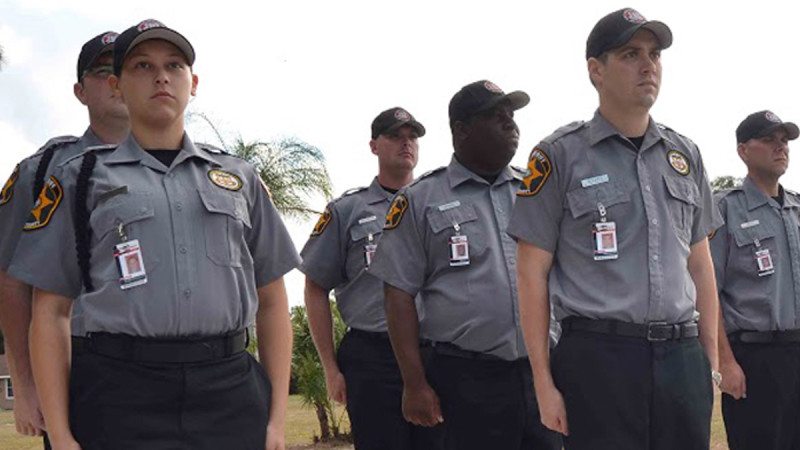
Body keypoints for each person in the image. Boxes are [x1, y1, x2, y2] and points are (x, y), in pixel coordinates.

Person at [8, 19, 298, 450]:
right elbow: (50, 313)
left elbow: (273, 299)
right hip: (119, 394)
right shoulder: (79, 178)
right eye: (142, 66)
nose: (161, 76)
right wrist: (63, 435)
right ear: (117, 85)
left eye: (174, 65)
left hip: (228, 391)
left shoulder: (237, 177)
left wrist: (275, 421)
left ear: (193, 82)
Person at [507, 8, 722, 449]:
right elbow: (531, 274)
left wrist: (709, 362)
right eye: (630, 54)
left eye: (655, 54)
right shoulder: (559, 156)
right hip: (598, 360)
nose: (649, 66)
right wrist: (543, 382)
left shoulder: (685, 156)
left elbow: (700, 266)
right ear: (595, 71)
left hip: (682, 359)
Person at [369, 80, 562, 450]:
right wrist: (414, 384)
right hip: (466, 379)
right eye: (497, 116)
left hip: (541, 372)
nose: (511, 124)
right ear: (462, 129)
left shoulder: (535, 191)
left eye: (512, 116)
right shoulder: (421, 200)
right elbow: (397, 294)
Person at [0, 30, 129, 444]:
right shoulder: (45, 170)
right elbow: (11, 280)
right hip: (81, 366)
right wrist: (25, 384)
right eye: (103, 71)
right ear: (80, 91)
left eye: (126, 70)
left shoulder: (193, 168)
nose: (116, 81)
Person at [300, 107, 442, 449]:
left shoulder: (440, 204)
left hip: (435, 353)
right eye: (395, 136)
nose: (406, 144)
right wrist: (331, 368)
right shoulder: (348, 211)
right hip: (373, 358)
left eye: (412, 137)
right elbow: (315, 287)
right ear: (373, 145)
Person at [710, 110, 800, 450]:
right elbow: (709, 293)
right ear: (743, 150)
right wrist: (726, 363)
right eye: (768, 140)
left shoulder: (796, 209)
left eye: (784, 141)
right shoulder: (725, 210)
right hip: (754, 359)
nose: (781, 148)